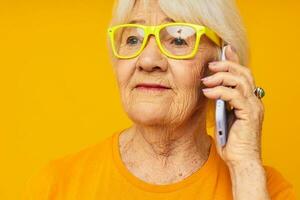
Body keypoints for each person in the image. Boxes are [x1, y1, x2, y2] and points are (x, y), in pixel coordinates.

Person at [23, 0, 296, 199]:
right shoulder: (56, 186)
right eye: (132, 38)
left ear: (223, 63)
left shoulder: (265, 189)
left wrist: (246, 168)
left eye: (178, 39)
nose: (148, 60)